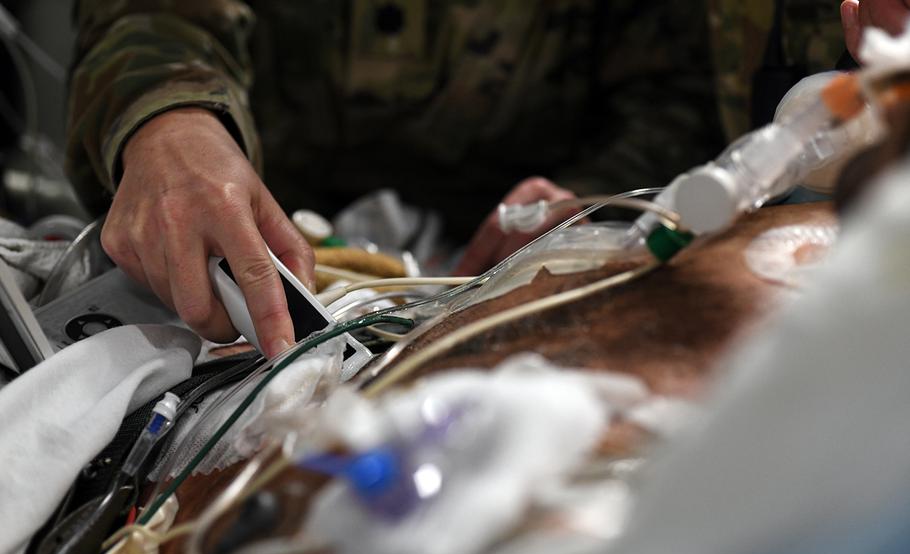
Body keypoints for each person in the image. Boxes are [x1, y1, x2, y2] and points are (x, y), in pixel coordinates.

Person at [67, 0, 727, 356]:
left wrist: (591, 203)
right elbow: (151, 15)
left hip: (519, 257)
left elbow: (674, 89)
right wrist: (168, 117)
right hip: (241, 230)